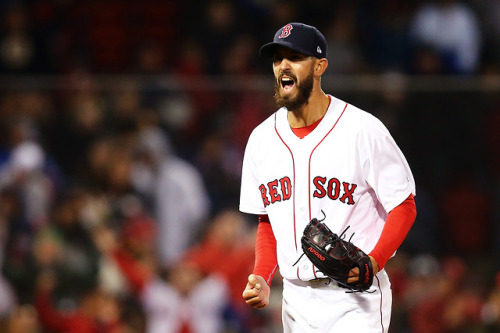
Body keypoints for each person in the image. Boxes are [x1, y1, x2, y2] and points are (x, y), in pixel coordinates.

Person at [239, 22, 417, 332]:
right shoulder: (261, 139)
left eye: (294, 57)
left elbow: (404, 205)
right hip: (294, 300)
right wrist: (262, 276)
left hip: (354, 298)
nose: (283, 65)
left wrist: (374, 261)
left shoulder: (363, 129)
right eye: (277, 58)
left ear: (319, 66)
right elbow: (268, 221)